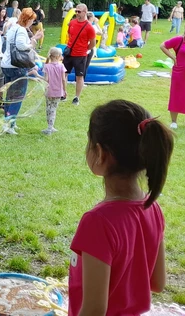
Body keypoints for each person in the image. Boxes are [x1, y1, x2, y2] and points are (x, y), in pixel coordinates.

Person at [69, 100, 172, 316]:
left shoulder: (97, 222)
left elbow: (94, 310)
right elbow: (157, 282)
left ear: (100, 153)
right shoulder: (153, 209)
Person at [0, 8, 42, 134]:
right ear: (27, 19)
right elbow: (21, 46)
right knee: (17, 97)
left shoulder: (13, 27)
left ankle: (9, 122)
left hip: (6, 65)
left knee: (9, 96)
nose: (32, 23)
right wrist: (34, 40)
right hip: (17, 67)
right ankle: (9, 125)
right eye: (32, 20)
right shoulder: (22, 30)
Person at [64, 4, 96, 106]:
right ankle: (63, 94)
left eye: (79, 11)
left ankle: (76, 97)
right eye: (76, 11)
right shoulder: (72, 23)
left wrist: (85, 49)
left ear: (85, 12)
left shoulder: (89, 27)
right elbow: (70, 35)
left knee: (79, 76)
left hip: (80, 55)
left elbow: (93, 43)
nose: (77, 13)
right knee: (63, 74)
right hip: (69, 53)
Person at [42, 47, 66, 135]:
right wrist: (64, 90)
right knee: (53, 109)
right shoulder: (61, 66)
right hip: (58, 91)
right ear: (58, 56)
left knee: (48, 108)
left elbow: (46, 80)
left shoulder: (47, 66)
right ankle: (50, 127)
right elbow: (63, 79)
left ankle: (50, 127)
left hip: (49, 91)